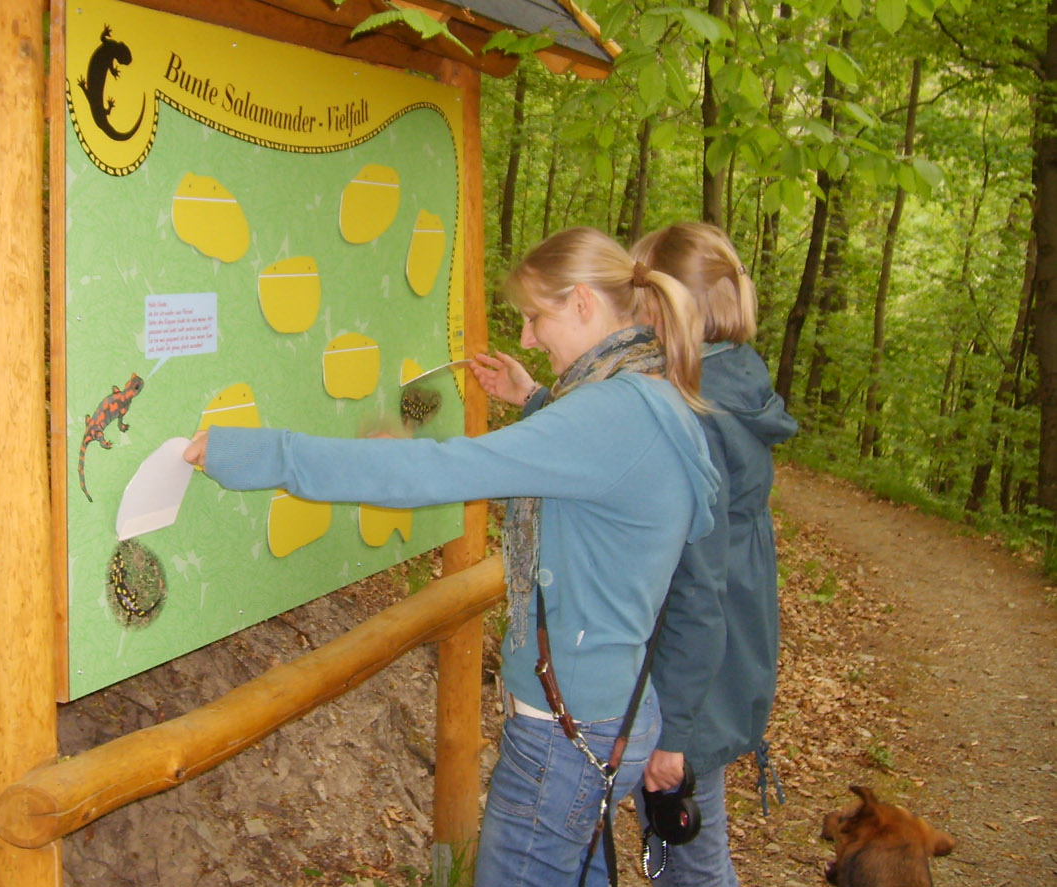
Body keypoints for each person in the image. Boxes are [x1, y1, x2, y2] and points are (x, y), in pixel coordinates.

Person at [184, 226, 720, 887]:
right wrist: (534, 400)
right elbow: (597, 483)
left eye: (534, 317)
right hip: (613, 707)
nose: (527, 337)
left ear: (583, 302)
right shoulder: (648, 390)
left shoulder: (608, 415)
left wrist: (256, 454)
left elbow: (443, 470)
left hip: (565, 732)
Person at [627, 221, 798, 887]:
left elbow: (697, 592)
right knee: (690, 850)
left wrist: (675, 735)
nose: (634, 312)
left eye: (644, 296)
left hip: (691, 674)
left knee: (692, 859)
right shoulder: (734, 376)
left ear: (673, 307)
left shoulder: (694, 410)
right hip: (721, 660)